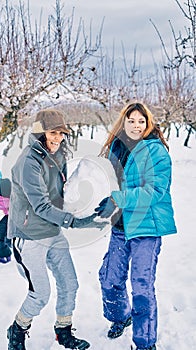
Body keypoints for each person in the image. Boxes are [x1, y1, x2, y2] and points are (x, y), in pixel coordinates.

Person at [7, 108, 104, 350]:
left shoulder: (58, 155)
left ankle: (63, 330)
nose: (58, 138)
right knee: (40, 294)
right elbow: (40, 205)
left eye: (61, 133)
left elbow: (64, 193)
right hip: (29, 236)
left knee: (69, 283)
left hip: (53, 232)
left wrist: (89, 204)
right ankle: (17, 330)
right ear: (40, 132)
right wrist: (73, 221)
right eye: (53, 132)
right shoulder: (28, 163)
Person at [95, 102, 177, 350]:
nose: (136, 125)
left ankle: (144, 342)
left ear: (148, 123)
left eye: (141, 121)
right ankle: (121, 317)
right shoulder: (115, 148)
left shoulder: (156, 151)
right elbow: (107, 182)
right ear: (124, 121)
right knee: (109, 279)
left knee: (141, 286)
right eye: (131, 120)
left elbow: (155, 190)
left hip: (147, 228)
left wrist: (118, 198)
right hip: (120, 226)